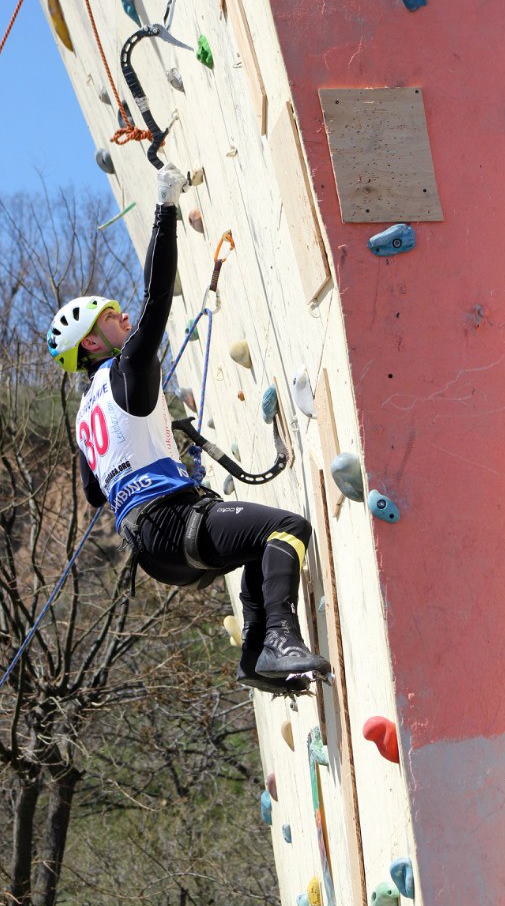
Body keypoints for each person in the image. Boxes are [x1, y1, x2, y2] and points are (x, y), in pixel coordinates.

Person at [47, 163, 330, 694]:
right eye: (111, 317)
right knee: (287, 528)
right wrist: (165, 207)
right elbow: (157, 297)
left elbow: (92, 492)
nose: (124, 318)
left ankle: (254, 657)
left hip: (152, 549)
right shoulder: (126, 369)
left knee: (254, 546)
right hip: (176, 521)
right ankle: (279, 641)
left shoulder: (86, 417)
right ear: (91, 343)